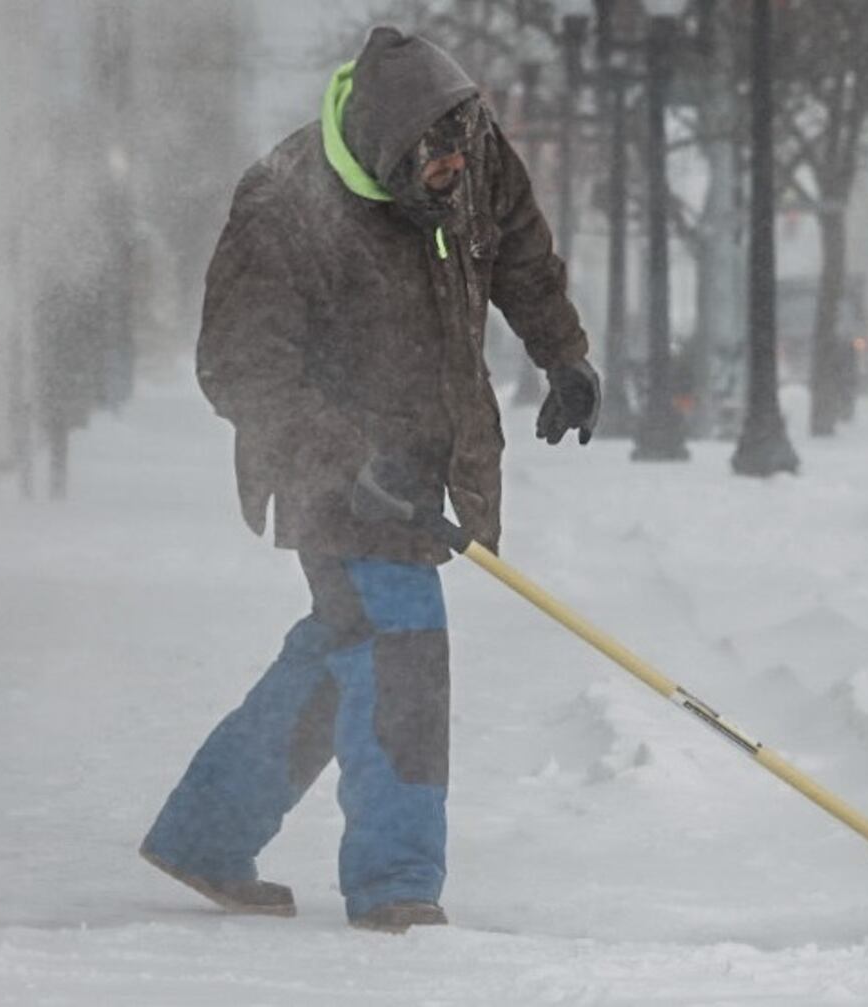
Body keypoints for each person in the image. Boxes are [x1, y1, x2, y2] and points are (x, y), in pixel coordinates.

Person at [140, 28, 601, 934]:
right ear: (391, 156)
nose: (458, 175)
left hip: (427, 466)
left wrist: (566, 356)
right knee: (403, 651)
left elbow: (518, 249)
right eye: (438, 170)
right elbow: (239, 364)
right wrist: (346, 458)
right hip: (334, 477)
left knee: (341, 648)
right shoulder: (285, 206)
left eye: (467, 159)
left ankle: (205, 832)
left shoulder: (466, 148)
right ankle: (396, 880)